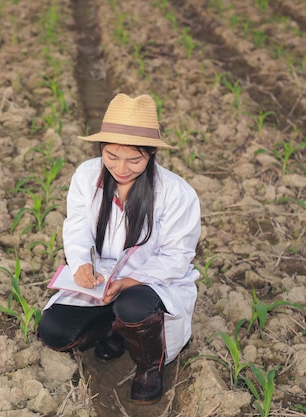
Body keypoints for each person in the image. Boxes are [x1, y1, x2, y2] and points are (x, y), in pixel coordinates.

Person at [38, 93, 201, 404]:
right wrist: (81, 264)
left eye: (134, 159)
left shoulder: (177, 193)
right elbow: (76, 226)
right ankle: (113, 329)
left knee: (132, 306)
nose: (121, 168)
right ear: (102, 148)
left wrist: (130, 281)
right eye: (111, 156)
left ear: (152, 153)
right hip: (102, 277)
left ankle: (148, 367)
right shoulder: (87, 175)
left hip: (148, 280)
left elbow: (176, 256)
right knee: (55, 330)